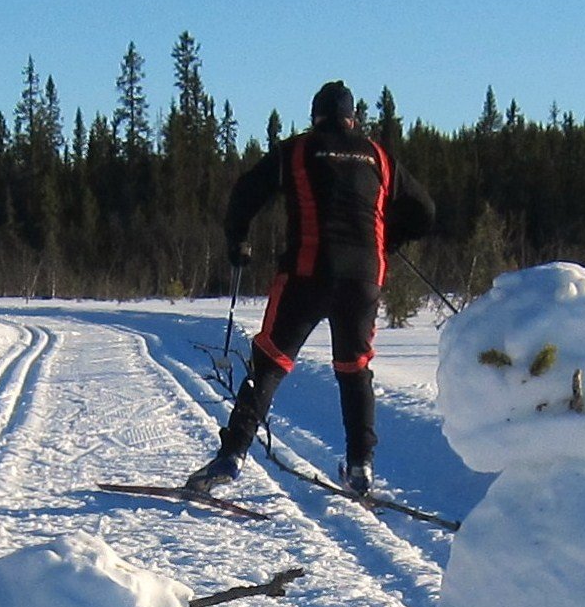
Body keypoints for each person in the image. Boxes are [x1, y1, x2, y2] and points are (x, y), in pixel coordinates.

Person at [186, 80, 435, 496]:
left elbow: (246, 192)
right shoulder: (378, 156)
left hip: (307, 273)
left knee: (270, 362)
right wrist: (389, 235)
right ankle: (360, 468)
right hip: (363, 278)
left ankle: (231, 457)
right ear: (353, 119)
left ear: (315, 117)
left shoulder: (297, 151)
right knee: (354, 370)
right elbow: (425, 212)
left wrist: (238, 240)